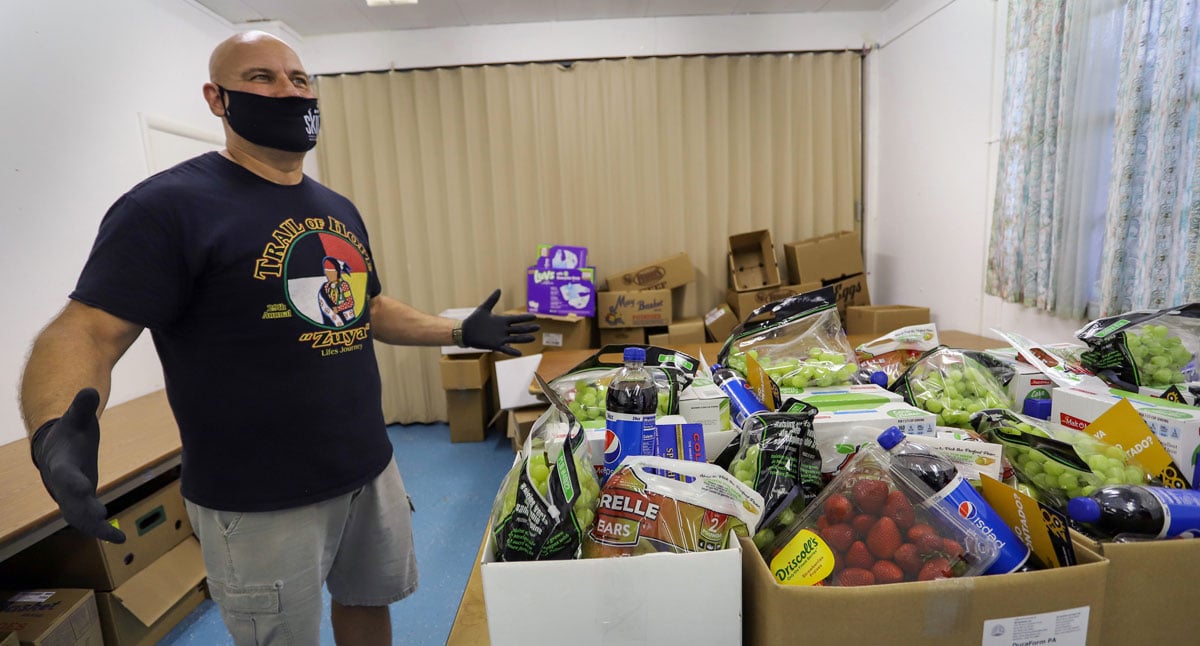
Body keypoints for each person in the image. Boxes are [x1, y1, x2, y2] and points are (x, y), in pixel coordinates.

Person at [19, 30, 537, 646]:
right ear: (218, 98)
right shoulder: (167, 207)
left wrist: (456, 330)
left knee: (370, 603)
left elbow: (363, 309)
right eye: (261, 78)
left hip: (368, 467)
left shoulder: (336, 208)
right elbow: (86, 331)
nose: (288, 90)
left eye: (299, 78)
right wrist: (54, 433)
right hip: (258, 496)